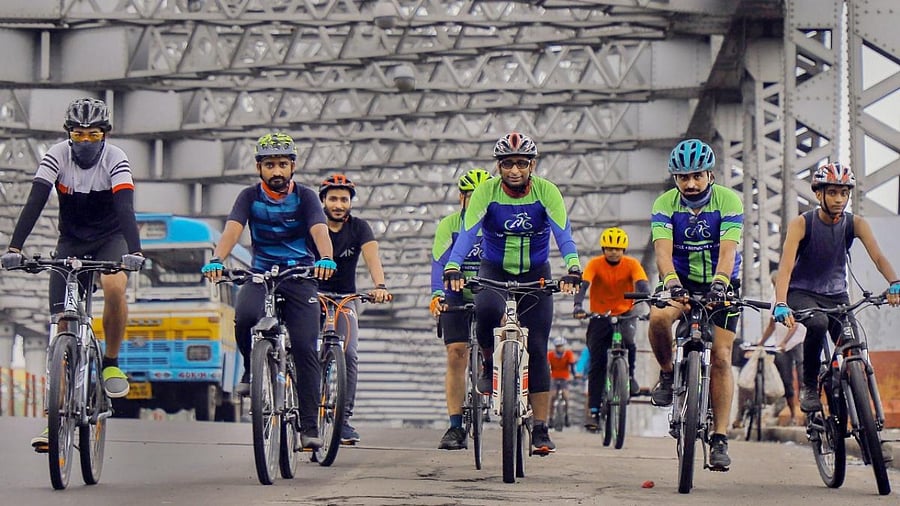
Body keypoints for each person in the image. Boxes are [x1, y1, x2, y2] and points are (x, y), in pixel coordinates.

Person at [0, 98, 144, 452]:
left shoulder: (116, 159)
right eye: (78, 135)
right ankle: (53, 421)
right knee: (62, 326)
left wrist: (135, 252)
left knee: (113, 284)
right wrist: (15, 248)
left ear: (104, 135)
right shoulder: (56, 155)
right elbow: (35, 201)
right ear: (69, 134)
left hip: (111, 238)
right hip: (71, 241)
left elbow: (125, 208)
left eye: (93, 135)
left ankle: (110, 362)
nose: (85, 142)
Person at [443, 132, 582, 455]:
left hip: (536, 273)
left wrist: (573, 267)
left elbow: (564, 234)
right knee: (488, 313)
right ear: (499, 166)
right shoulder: (486, 193)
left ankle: (541, 430)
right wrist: (453, 265)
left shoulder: (547, 192)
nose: (515, 170)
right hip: (493, 269)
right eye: (508, 164)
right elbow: (467, 234)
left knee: (537, 346)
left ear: (532, 165)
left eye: (521, 163)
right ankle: (491, 362)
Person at [201, 132, 337, 450]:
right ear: (259, 167)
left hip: (300, 275)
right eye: (270, 165)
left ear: (293, 167)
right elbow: (233, 228)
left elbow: (319, 227)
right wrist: (217, 259)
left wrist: (326, 257)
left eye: (283, 165)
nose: (277, 171)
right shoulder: (248, 197)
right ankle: (252, 369)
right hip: (261, 273)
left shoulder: (306, 197)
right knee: (245, 317)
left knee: (305, 347)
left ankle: (308, 427)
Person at [771, 162, 900, 414]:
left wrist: (894, 282)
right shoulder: (802, 223)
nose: (839, 199)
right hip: (802, 293)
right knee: (817, 323)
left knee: (852, 344)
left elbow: (879, 258)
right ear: (818, 194)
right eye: (832, 192)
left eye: (844, 193)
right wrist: (781, 302)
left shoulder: (855, 224)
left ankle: (859, 408)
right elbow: (785, 268)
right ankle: (809, 386)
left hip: (837, 296)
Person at [647, 138, 744, 470]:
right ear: (675, 179)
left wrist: (720, 284)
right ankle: (666, 372)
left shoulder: (729, 201)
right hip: (680, 281)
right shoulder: (664, 204)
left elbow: (729, 251)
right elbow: (662, 251)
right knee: (658, 318)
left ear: (710, 175)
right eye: (683, 177)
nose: (690, 183)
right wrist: (671, 283)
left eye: (696, 176)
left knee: (721, 356)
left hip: (723, 281)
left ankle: (719, 438)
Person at [315, 173, 392, 445]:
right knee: (304, 349)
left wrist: (379, 285)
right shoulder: (312, 226)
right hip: (312, 297)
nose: (338, 204)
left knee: (348, 353)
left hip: (345, 298)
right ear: (322, 200)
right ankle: (305, 409)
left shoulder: (360, 228)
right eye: (333, 198)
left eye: (344, 199)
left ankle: (343, 420)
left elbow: (372, 257)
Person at [431, 168, 491, 451]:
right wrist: (437, 294)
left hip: (490, 293)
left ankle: (502, 381)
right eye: (471, 196)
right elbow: (439, 263)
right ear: (461, 198)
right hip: (456, 296)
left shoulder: (497, 226)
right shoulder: (450, 225)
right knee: (456, 354)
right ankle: (455, 427)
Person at [573, 227, 650, 428]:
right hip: (600, 316)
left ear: (623, 250)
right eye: (609, 248)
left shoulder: (632, 264)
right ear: (603, 249)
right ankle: (594, 409)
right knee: (597, 362)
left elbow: (642, 285)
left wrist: (651, 305)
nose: (614, 252)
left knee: (630, 342)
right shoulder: (595, 264)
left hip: (625, 313)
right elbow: (584, 284)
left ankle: (630, 377)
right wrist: (578, 305)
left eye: (618, 248)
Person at [758, 270, 806, 425]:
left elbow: (795, 323)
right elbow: (772, 325)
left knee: (803, 377)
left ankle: (808, 414)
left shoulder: (794, 295)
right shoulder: (774, 300)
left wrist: (785, 341)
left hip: (796, 341)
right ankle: (793, 415)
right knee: (786, 381)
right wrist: (761, 342)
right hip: (781, 346)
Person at [547, 336, 577, 428]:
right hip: (554, 377)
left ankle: (566, 415)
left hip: (564, 377)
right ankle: (551, 418)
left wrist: (574, 375)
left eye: (561, 346)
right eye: (557, 346)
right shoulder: (550, 355)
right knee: (552, 397)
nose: (559, 348)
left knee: (566, 396)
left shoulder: (568, 354)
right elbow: (548, 367)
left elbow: (572, 366)